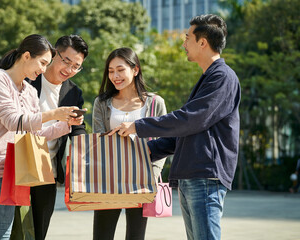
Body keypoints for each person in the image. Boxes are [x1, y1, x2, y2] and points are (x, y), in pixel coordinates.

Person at [110, 14, 241, 240]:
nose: (183, 44)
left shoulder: (222, 77)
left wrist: (138, 126)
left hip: (206, 175)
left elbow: (189, 120)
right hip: (194, 175)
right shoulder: (208, 77)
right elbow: (185, 132)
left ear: (202, 42)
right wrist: (143, 152)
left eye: (187, 38)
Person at [0, 34, 83, 240]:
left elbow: (35, 134)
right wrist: (54, 114)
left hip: (7, 174)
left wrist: (66, 125)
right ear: (27, 56)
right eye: (42, 63)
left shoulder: (29, 91)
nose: (44, 69)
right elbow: (13, 121)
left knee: (2, 235)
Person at [92, 47, 167, 240]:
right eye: (110, 71)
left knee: (136, 236)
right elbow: (98, 140)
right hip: (108, 178)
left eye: (120, 69)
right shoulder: (101, 102)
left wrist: (154, 174)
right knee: (102, 235)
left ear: (135, 70)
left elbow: (163, 141)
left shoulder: (155, 102)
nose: (115, 76)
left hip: (142, 178)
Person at [28, 34, 88, 240]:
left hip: (48, 172)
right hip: (18, 164)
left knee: (39, 231)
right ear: (54, 54)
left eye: (76, 66)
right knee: (11, 228)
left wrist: (84, 147)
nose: (69, 70)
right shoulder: (30, 79)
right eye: (66, 61)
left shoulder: (74, 93)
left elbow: (77, 129)